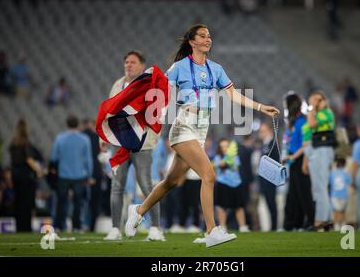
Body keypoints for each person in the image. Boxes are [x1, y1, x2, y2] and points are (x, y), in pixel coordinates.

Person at [125, 24, 279, 247]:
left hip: (200, 131)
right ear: (192, 41)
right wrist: (147, 115)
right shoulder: (179, 67)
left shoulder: (216, 69)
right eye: (203, 36)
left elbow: (233, 95)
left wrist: (261, 107)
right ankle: (211, 230)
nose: (208, 39)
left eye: (209, 36)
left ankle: (138, 210)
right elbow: (160, 93)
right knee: (209, 175)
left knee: (171, 182)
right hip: (183, 127)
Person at [103, 50, 165, 241]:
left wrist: (152, 139)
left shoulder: (150, 86)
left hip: (142, 144)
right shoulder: (118, 84)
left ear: (142, 66)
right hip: (120, 144)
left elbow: (157, 114)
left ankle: (155, 228)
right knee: (117, 186)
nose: (128, 65)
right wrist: (104, 137)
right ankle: (115, 228)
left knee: (147, 186)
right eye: (126, 62)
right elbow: (108, 111)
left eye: (132, 62)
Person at [50, 115, 93, 232]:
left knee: (61, 201)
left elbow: (54, 157)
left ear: (67, 124)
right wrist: (89, 175)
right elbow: (88, 159)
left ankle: (59, 225)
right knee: (78, 203)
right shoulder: (84, 139)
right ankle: (76, 226)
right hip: (79, 175)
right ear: (78, 124)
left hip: (63, 175)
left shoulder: (60, 138)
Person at [304, 91, 335, 230]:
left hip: (323, 149)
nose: (312, 102)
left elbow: (311, 124)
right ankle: (327, 220)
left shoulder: (326, 113)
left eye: (314, 100)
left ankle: (320, 219)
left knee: (321, 186)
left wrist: (311, 109)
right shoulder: (317, 113)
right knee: (317, 187)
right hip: (316, 149)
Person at [283, 92, 314, 231]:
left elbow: (306, 144)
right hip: (293, 160)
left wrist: (293, 157)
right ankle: (293, 224)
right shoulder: (293, 122)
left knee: (304, 193)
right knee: (293, 194)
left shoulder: (303, 121)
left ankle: (311, 221)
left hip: (302, 159)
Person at [9, 119, 44, 231]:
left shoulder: (13, 143)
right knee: (27, 203)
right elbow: (29, 160)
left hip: (15, 175)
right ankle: (26, 227)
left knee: (18, 202)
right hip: (26, 176)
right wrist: (39, 170)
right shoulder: (26, 143)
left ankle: (19, 227)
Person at [214, 139, 249, 233]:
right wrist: (227, 157)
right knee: (221, 207)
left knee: (239, 206)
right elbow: (220, 164)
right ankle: (223, 227)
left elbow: (235, 166)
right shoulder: (218, 157)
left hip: (236, 184)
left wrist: (230, 156)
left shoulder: (235, 157)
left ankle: (243, 226)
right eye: (222, 146)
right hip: (223, 184)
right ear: (219, 148)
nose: (224, 148)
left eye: (226, 146)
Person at [257, 121, 279, 231]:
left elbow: (275, 161)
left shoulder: (272, 144)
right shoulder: (266, 144)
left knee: (271, 203)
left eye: (263, 131)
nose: (261, 134)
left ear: (269, 131)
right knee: (268, 203)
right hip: (264, 178)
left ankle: (274, 226)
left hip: (270, 178)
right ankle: (272, 226)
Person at [82, 119, 103, 232]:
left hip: (81, 173)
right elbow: (102, 152)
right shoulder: (97, 137)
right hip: (96, 173)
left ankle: (81, 224)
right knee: (94, 202)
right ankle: (91, 226)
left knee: (83, 200)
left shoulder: (81, 137)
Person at [330, 157, 351, 231]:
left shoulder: (332, 173)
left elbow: (330, 183)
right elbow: (350, 182)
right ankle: (343, 225)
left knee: (335, 211)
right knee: (343, 211)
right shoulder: (345, 173)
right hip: (343, 195)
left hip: (334, 195)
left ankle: (336, 226)